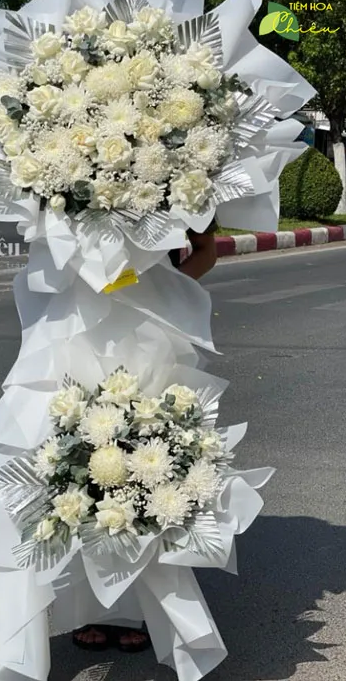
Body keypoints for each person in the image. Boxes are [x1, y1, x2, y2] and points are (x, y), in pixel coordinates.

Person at [72, 219, 218, 652]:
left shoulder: (178, 184)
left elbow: (206, 250)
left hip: (152, 334)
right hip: (84, 328)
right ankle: (93, 607)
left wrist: (162, 291)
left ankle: (138, 608)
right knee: (84, 462)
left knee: (148, 462)